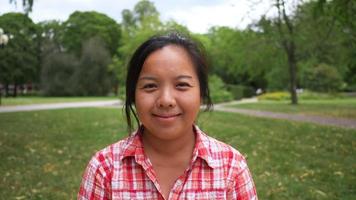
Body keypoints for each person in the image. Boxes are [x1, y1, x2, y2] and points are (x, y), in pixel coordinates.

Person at [78, 32, 257, 200]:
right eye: (150, 86)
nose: (166, 100)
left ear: (201, 93)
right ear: (133, 94)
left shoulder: (231, 167)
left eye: (181, 85)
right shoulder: (104, 168)